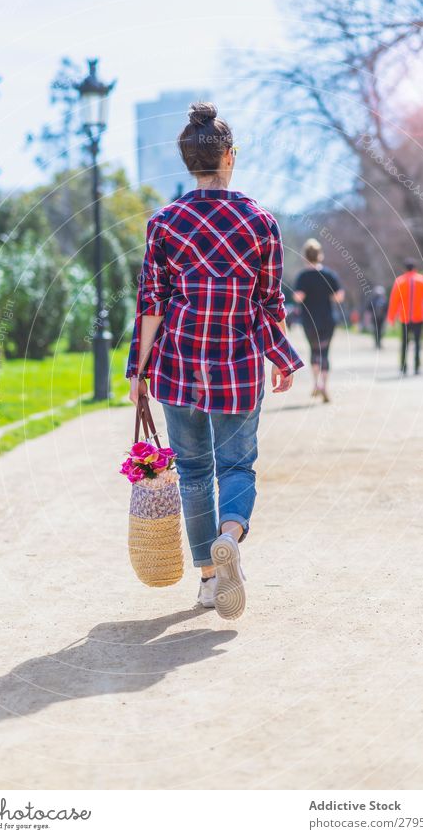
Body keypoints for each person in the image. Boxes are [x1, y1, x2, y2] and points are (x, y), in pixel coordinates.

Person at [126, 102, 303, 620]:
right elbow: (270, 302)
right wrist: (282, 358)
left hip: (179, 365)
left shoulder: (164, 223)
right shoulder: (261, 222)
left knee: (194, 471)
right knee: (237, 466)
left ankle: (208, 578)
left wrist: (138, 373)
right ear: (229, 156)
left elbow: (151, 305)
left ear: (188, 161)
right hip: (240, 364)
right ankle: (231, 535)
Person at [293, 239, 345, 403]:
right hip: (328, 319)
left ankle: (316, 383)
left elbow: (298, 298)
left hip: (310, 320)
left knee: (314, 351)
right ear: (320, 255)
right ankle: (324, 385)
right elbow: (339, 297)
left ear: (304, 256)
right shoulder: (329, 274)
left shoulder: (303, 276)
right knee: (325, 352)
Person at [387, 258, 423, 375]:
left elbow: (394, 300)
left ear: (404, 269)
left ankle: (403, 368)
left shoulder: (400, 281)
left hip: (405, 317)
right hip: (419, 317)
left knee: (404, 343)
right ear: (415, 268)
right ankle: (417, 367)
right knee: (418, 343)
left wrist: (391, 317)